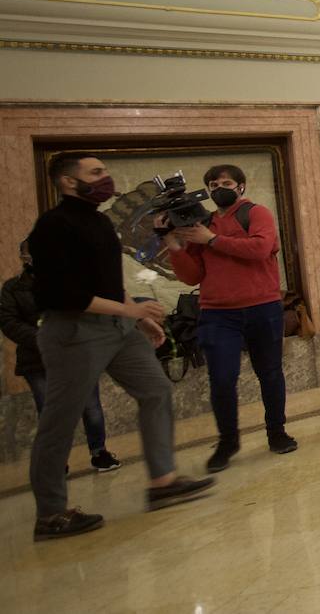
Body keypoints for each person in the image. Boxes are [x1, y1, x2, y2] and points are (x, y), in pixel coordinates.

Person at [26, 152, 213, 540]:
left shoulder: (97, 221)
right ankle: (50, 514)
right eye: (96, 173)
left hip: (117, 325)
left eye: (105, 171)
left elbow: (108, 280)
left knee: (156, 389)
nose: (105, 178)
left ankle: (162, 482)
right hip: (74, 330)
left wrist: (138, 317)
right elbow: (65, 294)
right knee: (61, 418)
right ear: (67, 182)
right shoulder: (52, 226)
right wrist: (132, 310)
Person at [162, 165, 296, 473]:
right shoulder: (201, 224)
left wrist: (211, 240)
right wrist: (174, 245)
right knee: (221, 379)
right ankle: (227, 441)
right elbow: (191, 276)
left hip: (262, 307)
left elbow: (260, 248)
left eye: (226, 182)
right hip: (217, 313)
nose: (219, 187)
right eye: (213, 184)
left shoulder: (255, 213)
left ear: (241, 187)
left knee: (270, 373)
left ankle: (277, 432)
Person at [0, 239, 120, 475]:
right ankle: (56, 461)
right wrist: (43, 338)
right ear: (23, 257)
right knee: (49, 411)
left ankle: (99, 452)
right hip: (37, 359)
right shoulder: (13, 288)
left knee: (91, 407)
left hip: (76, 355)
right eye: (29, 254)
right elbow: (8, 322)